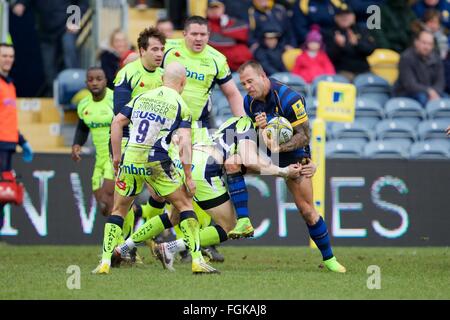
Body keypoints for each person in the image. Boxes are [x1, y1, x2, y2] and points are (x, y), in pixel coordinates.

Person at [116, 115, 304, 271]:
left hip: (190, 163)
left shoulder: (236, 124)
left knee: (173, 217)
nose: (271, 144)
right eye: (272, 137)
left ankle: (123, 247)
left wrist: (278, 168)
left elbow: (241, 162)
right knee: (228, 227)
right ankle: (171, 247)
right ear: (265, 127)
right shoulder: (247, 126)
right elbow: (247, 159)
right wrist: (284, 171)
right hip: (205, 170)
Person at [92, 61, 219, 275]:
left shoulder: (141, 98)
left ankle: (104, 261)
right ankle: (197, 260)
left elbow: (117, 122)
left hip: (131, 159)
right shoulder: (181, 105)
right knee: (185, 205)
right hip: (157, 161)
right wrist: (188, 175)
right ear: (183, 83)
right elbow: (185, 143)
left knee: (119, 210)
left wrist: (116, 157)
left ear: (162, 79)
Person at [149, 16, 257, 239]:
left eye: (203, 35)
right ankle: (142, 234)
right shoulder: (168, 50)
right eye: (194, 34)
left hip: (196, 130)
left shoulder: (217, 59)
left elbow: (232, 94)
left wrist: (245, 126)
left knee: (194, 186)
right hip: (163, 127)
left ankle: (185, 242)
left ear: (209, 36)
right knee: (161, 194)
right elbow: (142, 64)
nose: (199, 39)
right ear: (184, 34)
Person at [237, 60, 346, 273]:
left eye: (250, 81)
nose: (247, 87)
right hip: (266, 153)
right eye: (243, 84)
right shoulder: (248, 103)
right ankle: (239, 221)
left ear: (263, 77)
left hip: (293, 154)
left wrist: (306, 159)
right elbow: (259, 140)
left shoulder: (289, 99)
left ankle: (329, 259)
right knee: (231, 165)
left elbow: (304, 135)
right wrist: (262, 132)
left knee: (306, 210)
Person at [12, 0, 89, 96]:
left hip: (66, 27)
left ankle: (75, 92)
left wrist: (74, 20)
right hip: (46, 32)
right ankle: (55, 96)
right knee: (48, 68)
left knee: (70, 59)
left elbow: (82, 2)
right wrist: (21, 4)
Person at [0, 43, 33, 237]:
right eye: (4, 56)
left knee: (4, 192)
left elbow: (8, 120)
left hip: (8, 144)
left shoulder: (10, 84)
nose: (8, 59)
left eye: (10, 56)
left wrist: (22, 141)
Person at [71, 67, 115, 217]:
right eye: (90, 80)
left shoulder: (115, 100)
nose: (95, 83)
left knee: (108, 196)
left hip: (115, 157)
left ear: (106, 81)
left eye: (98, 79)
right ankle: (135, 214)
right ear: (86, 83)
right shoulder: (84, 105)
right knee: (104, 207)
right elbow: (82, 128)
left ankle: (116, 238)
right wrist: (77, 145)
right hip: (100, 159)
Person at [323, 5, 376, 81]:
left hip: (363, 71)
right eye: (341, 15)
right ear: (336, 18)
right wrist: (339, 46)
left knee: (374, 85)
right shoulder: (330, 33)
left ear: (353, 17)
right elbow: (329, 57)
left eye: (347, 15)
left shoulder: (361, 30)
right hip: (342, 72)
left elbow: (370, 50)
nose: (344, 17)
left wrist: (357, 44)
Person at [394, 30, 445, 106]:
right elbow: (410, 84)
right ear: (416, 42)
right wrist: (429, 91)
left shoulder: (436, 58)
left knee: (445, 99)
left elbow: (441, 82)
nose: (427, 47)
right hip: (406, 94)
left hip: (430, 93)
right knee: (423, 98)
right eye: (424, 43)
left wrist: (435, 92)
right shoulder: (406, 58)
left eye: (430, 44)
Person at [206, 0, 253, 72]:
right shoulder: (205, 24)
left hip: (242, 64)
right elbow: (215, 42)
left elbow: (244, 33)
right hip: (221, 66)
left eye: (217, 8)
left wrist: (224, 29)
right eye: (211, 8)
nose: (214, 11)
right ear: (207, 11)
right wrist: (225, 30)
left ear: (223, 8)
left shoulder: (230, 20)